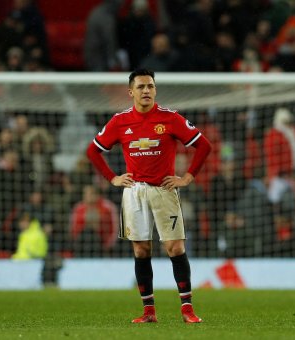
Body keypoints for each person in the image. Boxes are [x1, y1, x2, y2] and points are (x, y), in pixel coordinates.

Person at [86, 69, 212, 323]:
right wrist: (113, 178)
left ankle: (187, 309)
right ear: (130, 92)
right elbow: (92, 151)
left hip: (164, 190)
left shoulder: (171, 118)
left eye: (150, 86)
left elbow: (204, 145)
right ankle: (149, 312)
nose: (146, 91)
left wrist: (187, 177)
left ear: (155, 90)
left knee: (175, 247)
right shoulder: (120, 121)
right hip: (134, 192)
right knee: (141, 250)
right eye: (141, 86)